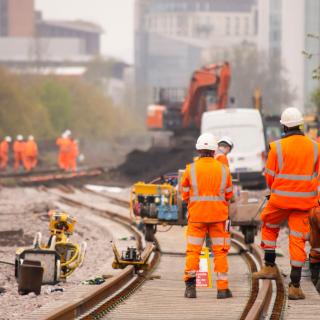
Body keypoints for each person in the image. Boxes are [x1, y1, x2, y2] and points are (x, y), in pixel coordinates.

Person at [253, 107, 319, 300]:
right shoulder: (315, 147)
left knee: (269, 224)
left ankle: (269, 266)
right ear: (301, 125)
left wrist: (277, 190)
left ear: (283, 126)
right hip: (305, 201)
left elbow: (269, 177)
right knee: (297, 238)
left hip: (280, 200)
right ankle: (295, 286)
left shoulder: (277, 147)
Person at [181, 132, 233, 299]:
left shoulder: (190, 169)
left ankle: (190, 289)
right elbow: (229, 194)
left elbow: (185, 194)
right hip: (218, 217)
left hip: (197, 217)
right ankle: (222, 290)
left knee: (193, 252)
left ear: (198, 150)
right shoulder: (224, 170)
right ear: (214, 151)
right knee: (220, 252)